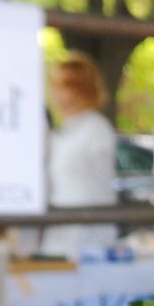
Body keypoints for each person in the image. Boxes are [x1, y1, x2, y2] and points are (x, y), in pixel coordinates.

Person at [41, 52, 120, 258]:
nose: (56, 93)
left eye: (63, 86)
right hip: (60, 233)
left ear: (81, 89)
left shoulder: (96, 129)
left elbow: (101, 186)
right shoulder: (63, 132)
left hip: (88, 238)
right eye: (55, 85)